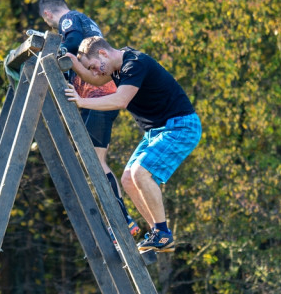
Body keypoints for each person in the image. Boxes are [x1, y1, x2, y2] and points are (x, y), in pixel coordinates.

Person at [64, 36, 202, 253]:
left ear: (103, 53)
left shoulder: (134, 63)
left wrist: (81, 101)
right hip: (157, 131)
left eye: (94, 66)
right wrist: (73, 60)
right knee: (128, 179)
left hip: (180, 127)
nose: (96, 72)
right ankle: (159, 234)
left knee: (140, 173)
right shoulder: (115, 68)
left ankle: (163, 234)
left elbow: (120, 100)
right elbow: (98, 81)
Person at [37, 0, 140, 237]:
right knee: (93, 159)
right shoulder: (86, 21)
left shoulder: (69, 20)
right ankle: (121, 219)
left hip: (98, 97)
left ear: (47, 15)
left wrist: (56, 52)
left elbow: (71, 43)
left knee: (96, 161)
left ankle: (122, 220)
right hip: (98, 98)